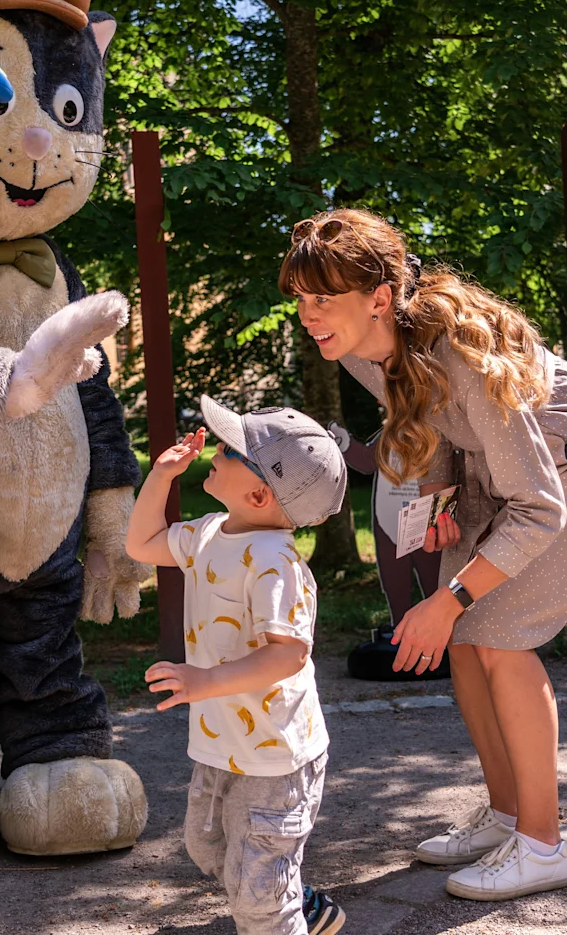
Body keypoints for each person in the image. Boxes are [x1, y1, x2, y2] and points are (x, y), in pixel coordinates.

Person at [278, 208, 567, 902]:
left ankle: (541, 846)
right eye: (300, 299)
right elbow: (424, 414)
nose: (306, 315)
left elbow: (537, 507)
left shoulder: (465, 356)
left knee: (496, 637)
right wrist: (442, 500)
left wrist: (448, 598)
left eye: (322, 299)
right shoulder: (357, 347)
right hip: (495, 461)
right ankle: (507, 816)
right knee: (466, 643)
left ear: (378, 297)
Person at [126, 396, 348, 935]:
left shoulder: (278, 564)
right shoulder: (210, 532)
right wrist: (161, 478)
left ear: (258, 493)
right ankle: (288, 894)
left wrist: (205, 680)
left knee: (256, 896)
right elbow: (141, 544)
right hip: (223, 741)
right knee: (207, 847)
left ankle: (280, 912)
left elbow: (288, 653)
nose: (215, 452)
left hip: (275, 756)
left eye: (229, 450)